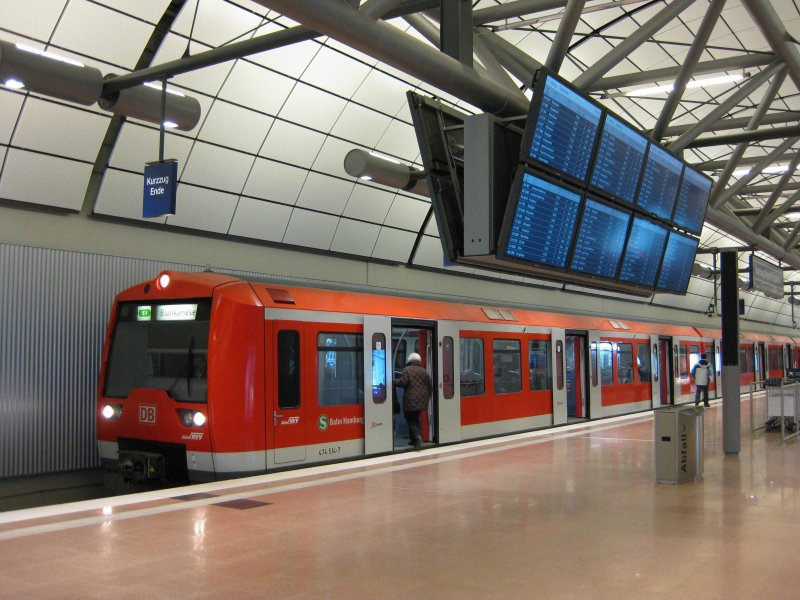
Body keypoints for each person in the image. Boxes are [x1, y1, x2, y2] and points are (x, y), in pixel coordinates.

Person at [395, 352, 433, 450]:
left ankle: (417, 437)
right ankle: (413, 440)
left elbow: (403, 382)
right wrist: (426, 399)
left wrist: (393, 381)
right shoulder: (424, 371)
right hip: (422, 401)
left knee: (411, 420)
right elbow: (430, 386)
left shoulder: (406, 370)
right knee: (415, 419)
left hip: (410, 400)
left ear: (409, 360)